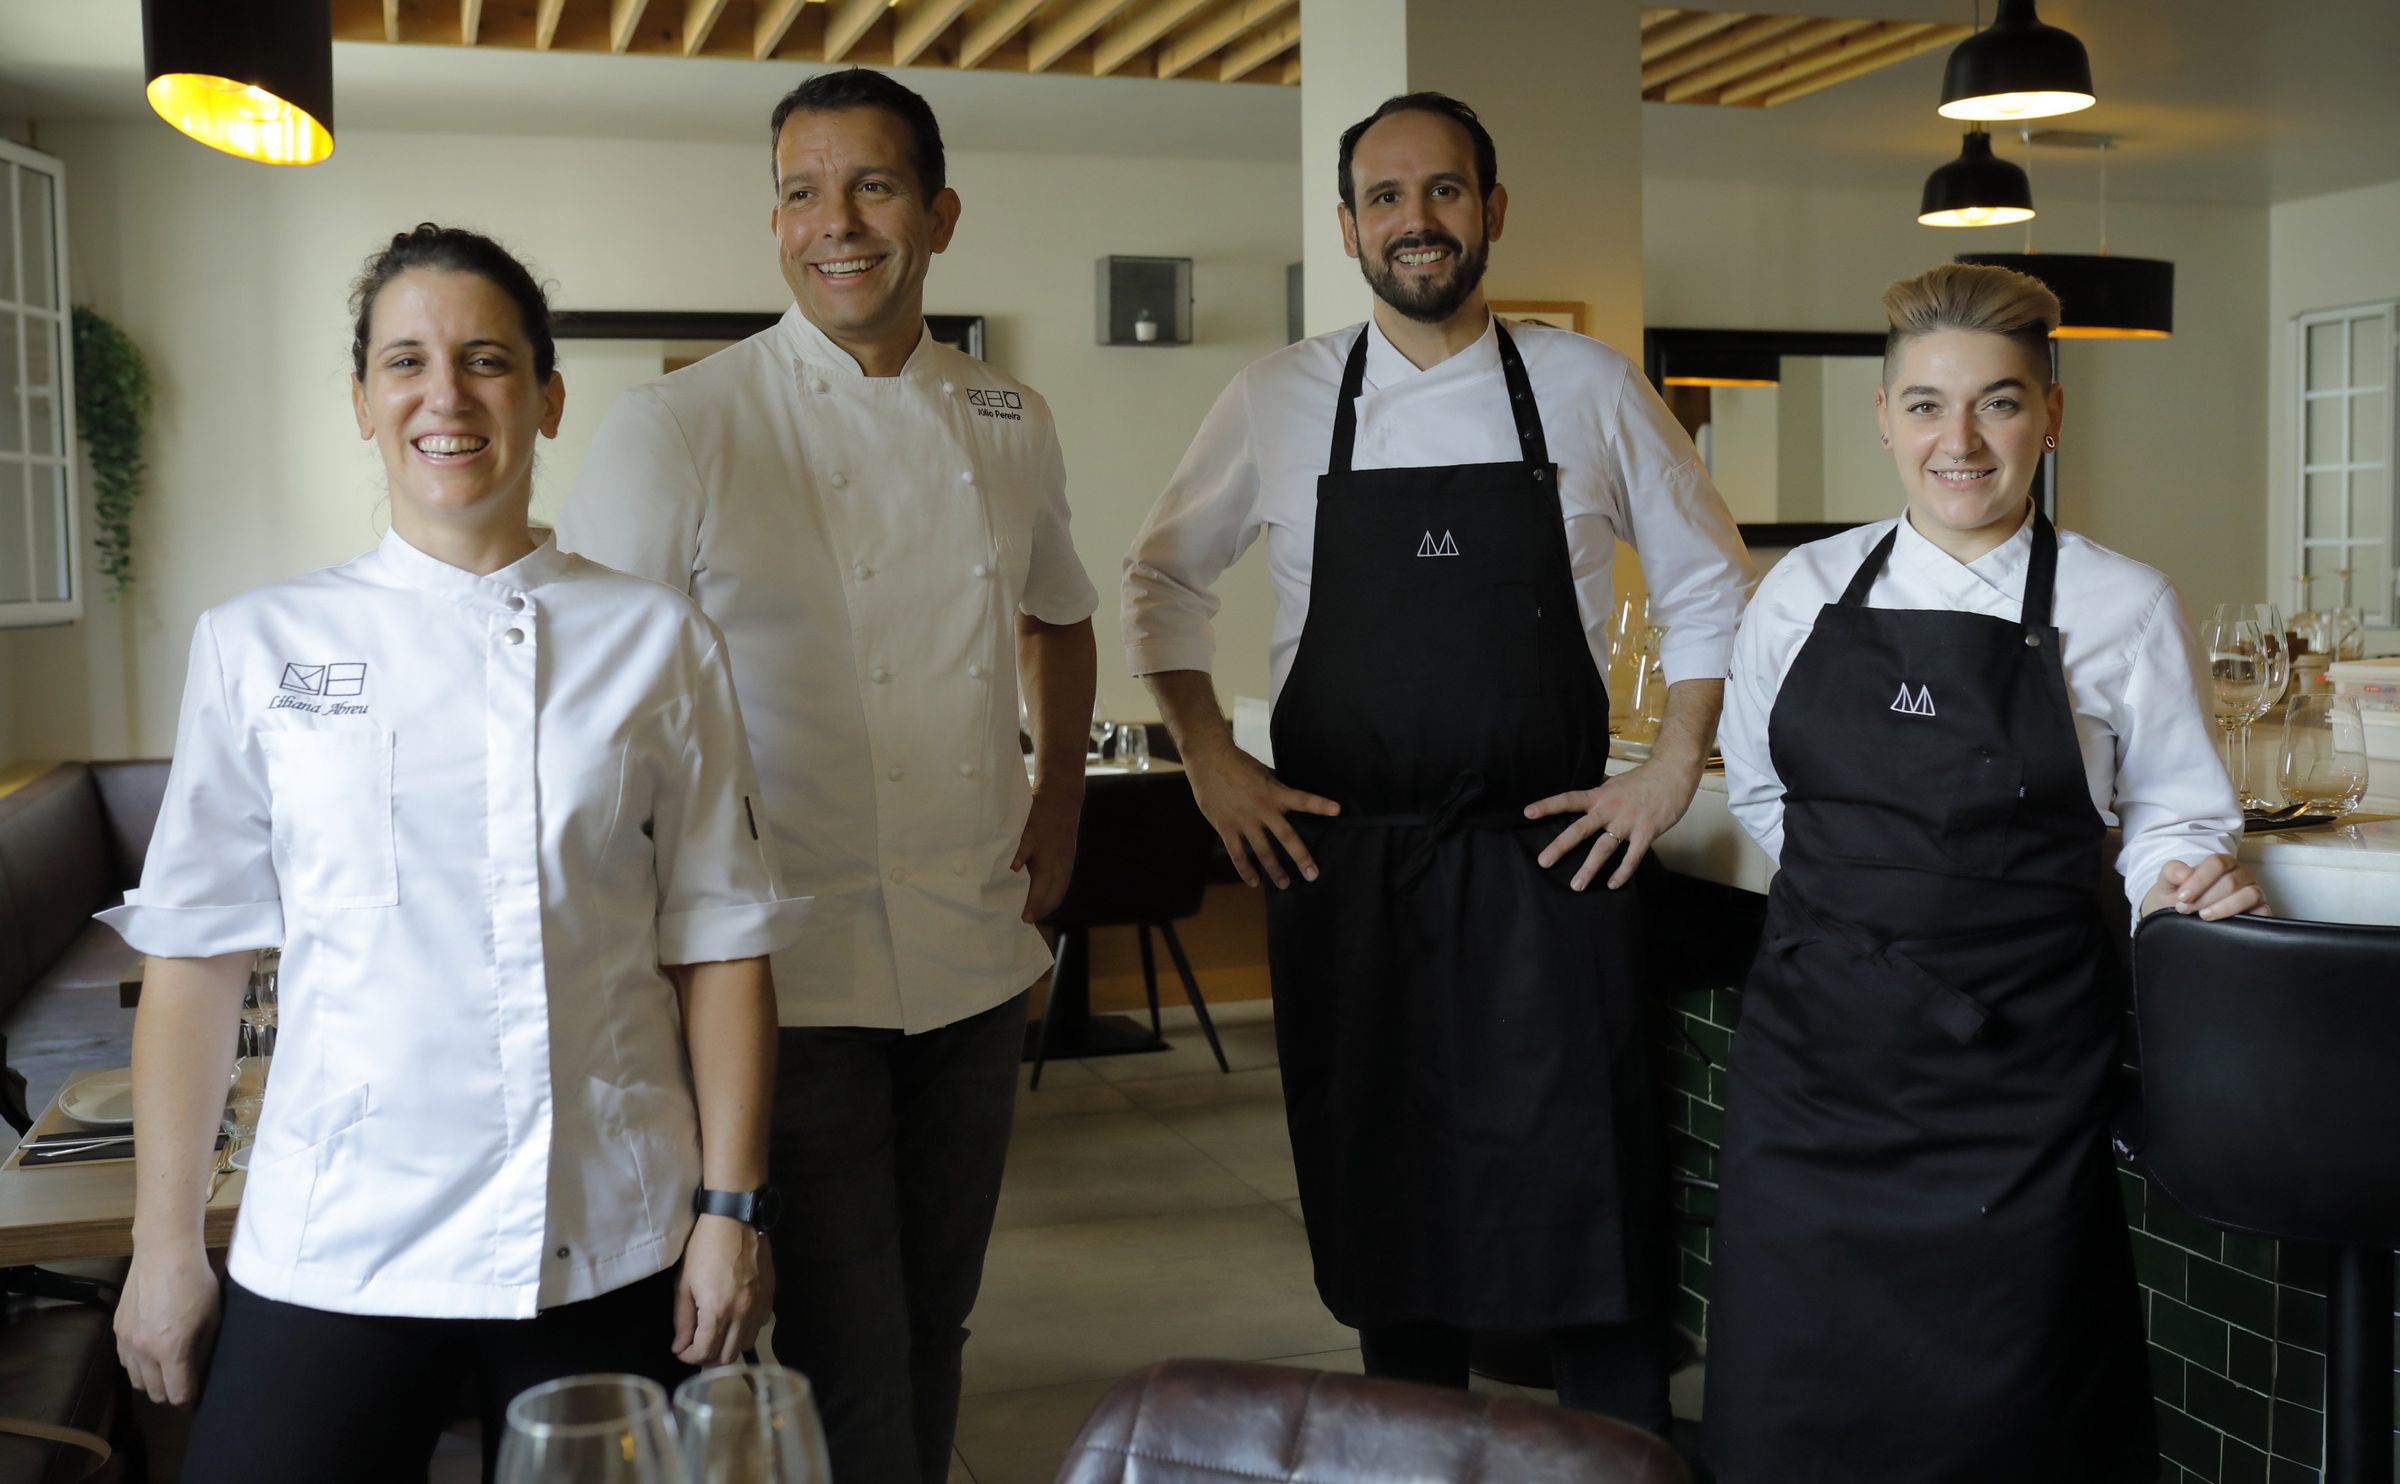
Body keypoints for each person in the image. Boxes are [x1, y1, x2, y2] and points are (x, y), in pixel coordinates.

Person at [103, 224, 798, 1483]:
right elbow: (195, 965)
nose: (447, 394)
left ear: (547, 393)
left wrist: (730, 1210)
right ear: (364, 402)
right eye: (406, 361)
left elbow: (722, 939)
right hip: (337, 1231)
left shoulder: (659, 639)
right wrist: (166, 1245)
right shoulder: (259, 643)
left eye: (487, 359)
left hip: (609, 1228)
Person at [1121, 91, 1754, 1432]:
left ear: (1493, 211)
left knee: (1590, 1211)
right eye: (1390, 198)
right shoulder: (1278, 398)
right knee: (1384, 1209)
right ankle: (1405, 1459)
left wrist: (1672, 767)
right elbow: (1162, 580)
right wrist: (1206, 754)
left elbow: (1712, 585)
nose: (1420, 221)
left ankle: (1615, 1464)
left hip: (1552, 869)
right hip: (1347, 871)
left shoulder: (1588, 389)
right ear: (1349, 225)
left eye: (1447, 192)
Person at [556, 68, 1099, 1484]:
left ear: (938, 213)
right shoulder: (681, 425)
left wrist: (1058, 809)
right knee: (851, 1348)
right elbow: (588, 711)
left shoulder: (1007, 415)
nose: (834, 221)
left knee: (943, 1321)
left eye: (870, 185)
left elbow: (1062, 614)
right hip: (780, 978)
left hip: (973, 958)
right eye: (801, 190)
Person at [1702, 261, 2265, 1481]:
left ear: (2050, 415)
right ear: (1885, 415)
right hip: (1816, 1069)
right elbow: (1759, 788)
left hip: (2015, 1078)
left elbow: (2173, 809)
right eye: (1925, 405)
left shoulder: (2122, 603)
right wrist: (1887, 905)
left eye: (1998, 403)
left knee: (2013, 1412)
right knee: (1794, 1398)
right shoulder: (1799, 589)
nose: (1959, 440)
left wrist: (2183, 876)